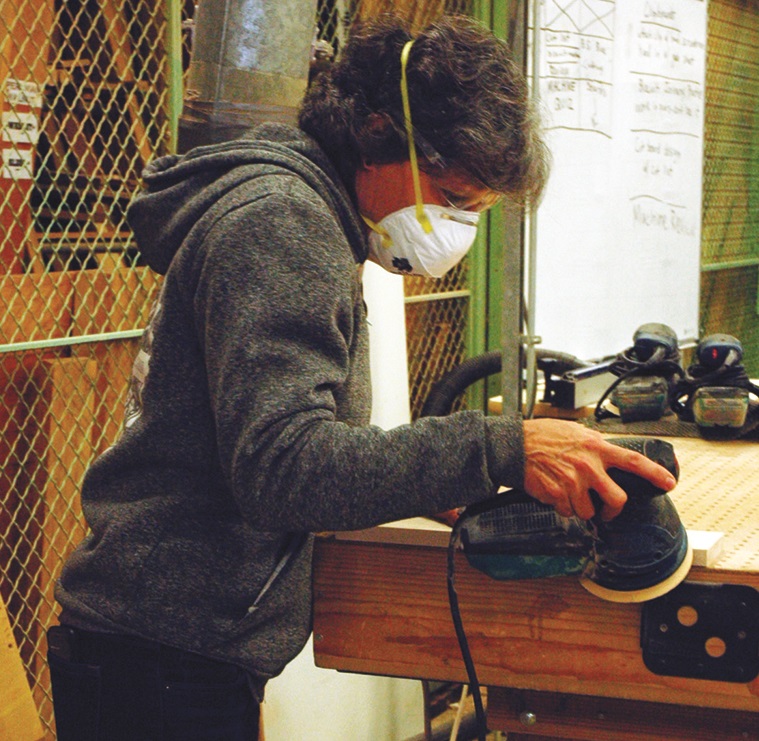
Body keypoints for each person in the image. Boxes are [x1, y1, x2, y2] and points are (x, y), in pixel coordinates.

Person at [47, 14, 677, 741]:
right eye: (451, 198)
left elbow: (288, 443)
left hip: (165, 649)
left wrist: (433, 479)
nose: (455, 227)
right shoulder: (283, 223)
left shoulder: (296, 211)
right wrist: (500, 449)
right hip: (158, 662)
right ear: (377, 135)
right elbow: (282, 467)